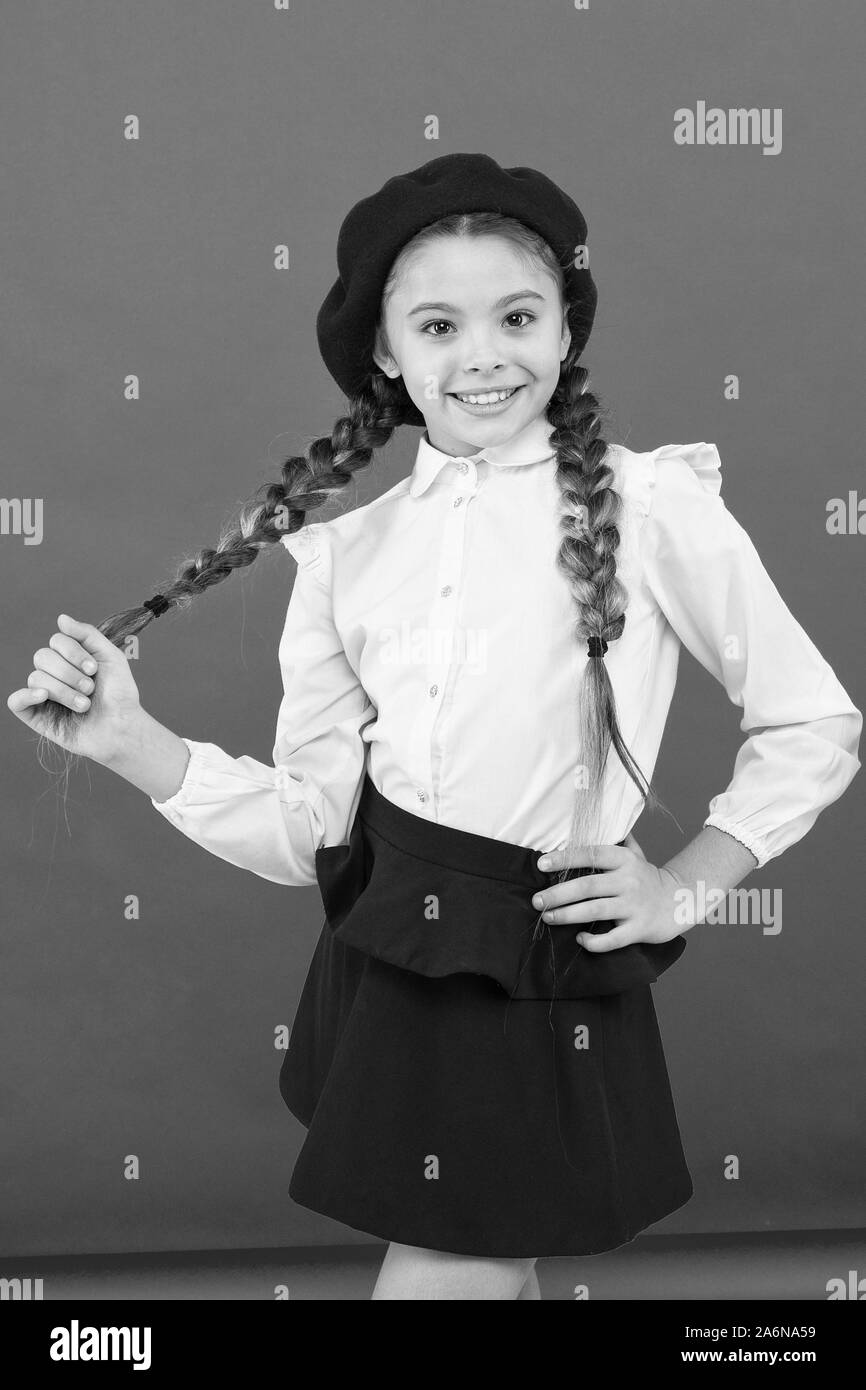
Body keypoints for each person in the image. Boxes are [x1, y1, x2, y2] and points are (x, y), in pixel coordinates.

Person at [8, 154, 861, 1301]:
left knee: (449, 1267)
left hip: (529, 950)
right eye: (437, 324)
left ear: (565, 329)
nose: (482, 355)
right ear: (385, 354)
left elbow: (811, 720)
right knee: (469, 1260)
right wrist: (130, 741)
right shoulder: (343, 555)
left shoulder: (655, 506)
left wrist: (689, 881)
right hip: (390, 949)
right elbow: (309, 828)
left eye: (517, 315)